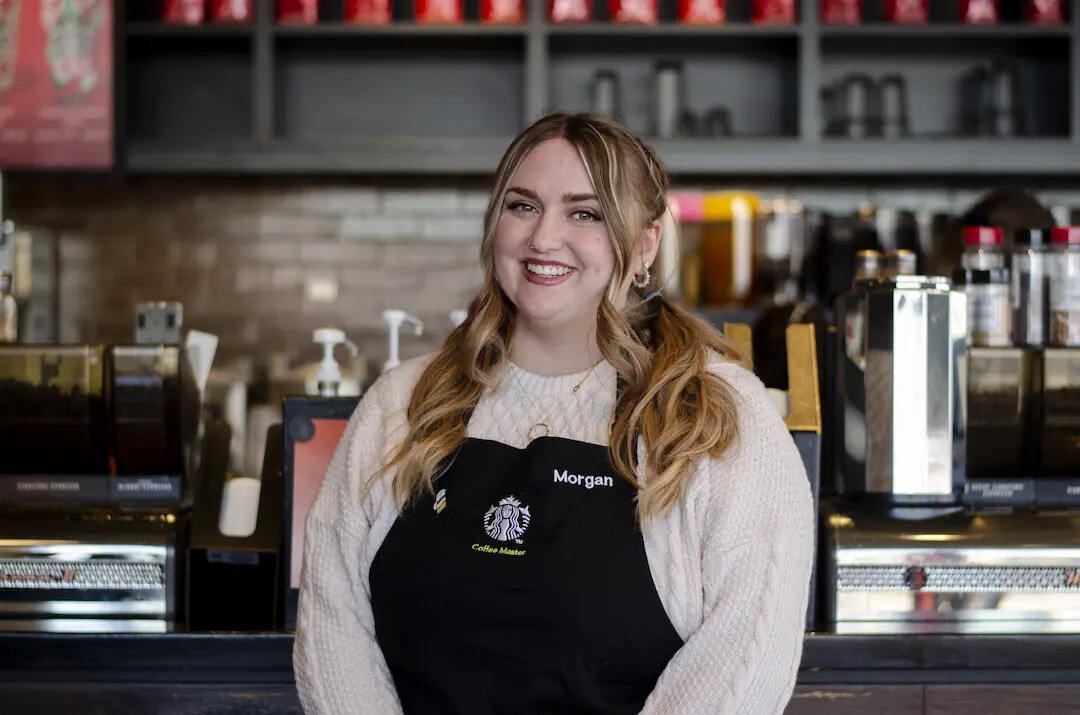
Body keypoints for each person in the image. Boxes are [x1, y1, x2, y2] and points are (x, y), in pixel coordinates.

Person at [293, 112, 815, 715]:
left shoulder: (718, 419)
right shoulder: (399, 404)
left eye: (585, 213)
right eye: (522, 206)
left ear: (646, 243)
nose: (543, 238)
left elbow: (741, 664)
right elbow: (333, 626)